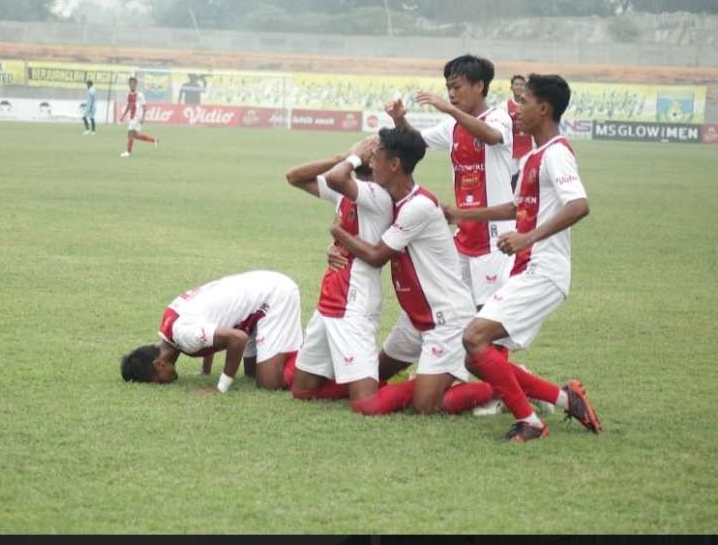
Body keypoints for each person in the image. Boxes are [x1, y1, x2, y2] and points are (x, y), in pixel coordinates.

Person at [445, 74, 601, 442]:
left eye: (524, 102)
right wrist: (463, 214)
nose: (517, 110)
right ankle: (566, 399)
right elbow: (518, 208)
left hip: (544, 270)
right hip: (527, 268)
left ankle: (529, 421)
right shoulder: (533, 155)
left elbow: (579, 205)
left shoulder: (557, 153)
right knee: (475, 353)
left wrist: (529, 236)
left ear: (544, 109)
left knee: (474, 338)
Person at [329, 127, 478, 415]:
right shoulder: (388, 198)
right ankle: (437, 376)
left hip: (445, 316)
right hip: (415, 317)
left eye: (377, 155)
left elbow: (375, 257)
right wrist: (333, 247)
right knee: (378, 373)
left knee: (426, 407)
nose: (371, 160)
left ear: (395, 164)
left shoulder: (417, 207)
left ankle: (498, 389)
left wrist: (338, 234)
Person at [385, 55, 517, 313]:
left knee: (487, 316)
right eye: (448, 89)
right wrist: (400, 120)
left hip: (495, 237)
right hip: (465, 234)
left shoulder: (498, 118)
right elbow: (417, 141)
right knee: (456, 310)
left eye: (457, 87)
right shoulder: (453, 126)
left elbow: (492, 137)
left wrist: (449, 109)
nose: (451, 94)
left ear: (479, 86)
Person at [285, 135, 400, 409]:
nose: (369, 151)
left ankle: (422, 387)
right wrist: (342, 156)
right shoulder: (347, 190)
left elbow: (338, 179)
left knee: (366, 403)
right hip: (329, 301)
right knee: (301, 390)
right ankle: (362, 377)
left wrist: (351, 159)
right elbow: (294, 177)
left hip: (354, 304)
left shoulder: (375, 195)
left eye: (374, 150)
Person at [120, 270, 303, 392]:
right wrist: (205, 371)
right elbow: (209, 328)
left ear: (159, 364)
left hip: (275, 294)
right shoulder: (169, 326)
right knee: (251, 373)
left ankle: (314, 358)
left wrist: (220, 387)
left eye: (158, 381)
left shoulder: (184, 336)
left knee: (268, 383)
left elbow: (238, 339)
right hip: (260, 287)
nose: (165, 384)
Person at [119, 76, 158, 158]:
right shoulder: (128, 94)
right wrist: (123, 115)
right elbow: (129, 106)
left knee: (130, 133)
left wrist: (143, 117)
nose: (131, 85)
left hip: (137, 117)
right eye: (130, 83)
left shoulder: (140, 95)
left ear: (136, 84)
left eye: (133, 83)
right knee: (135, 135)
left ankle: (128, 152)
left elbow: (144, 107)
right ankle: (153, 140)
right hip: (132, 117)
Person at [507, 74, 533, 184]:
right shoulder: (505, 105)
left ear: (525, 87)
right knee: (511, 178)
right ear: (511, 87)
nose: (519, 87)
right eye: (516, 84)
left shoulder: (532, 105)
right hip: (512, 149)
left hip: (529, 148)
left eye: (522, 85)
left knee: (526, 178)